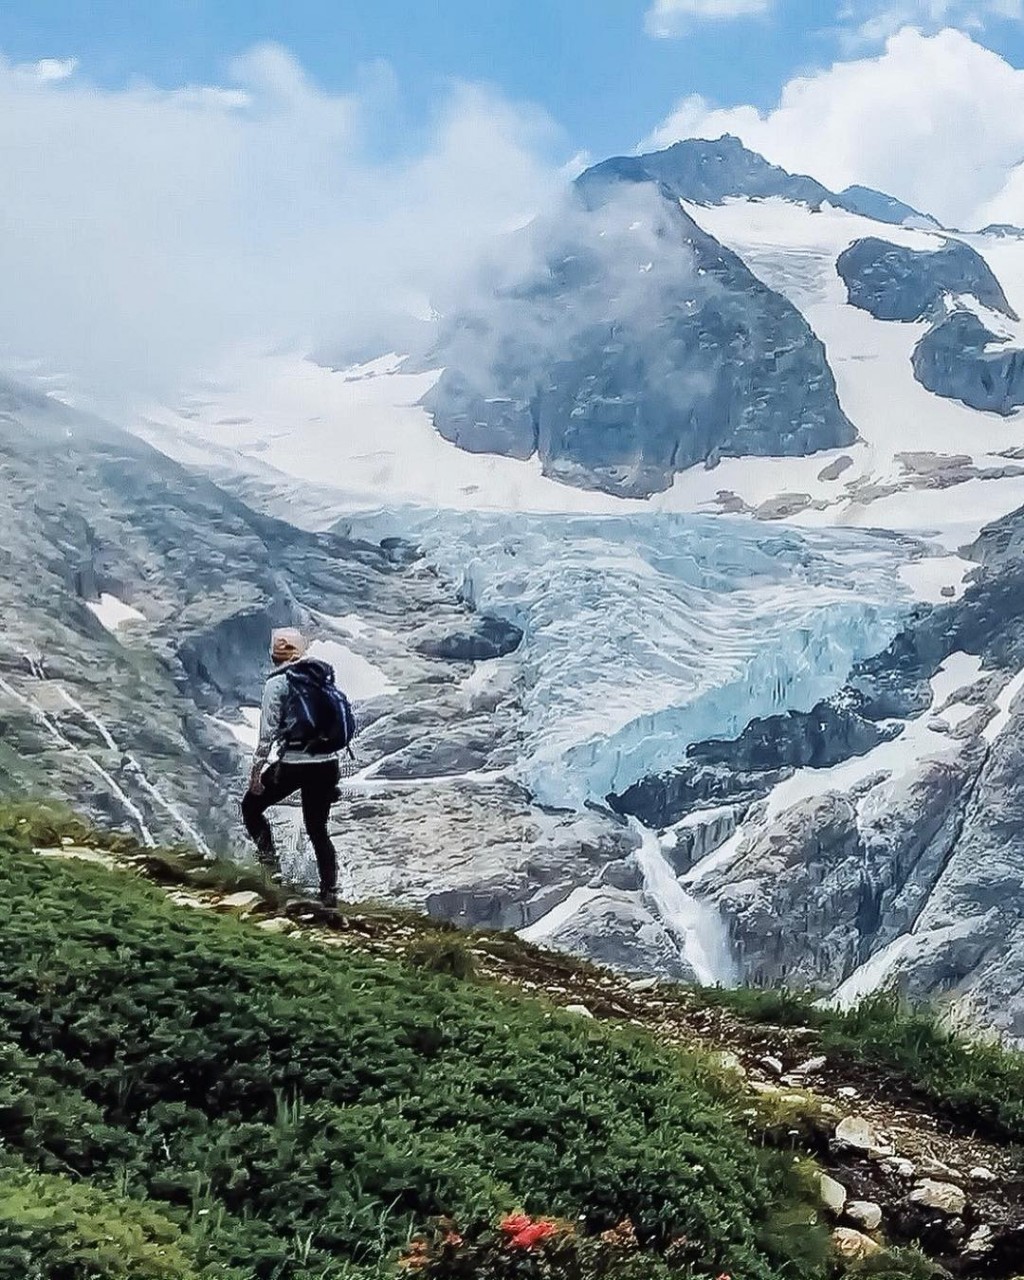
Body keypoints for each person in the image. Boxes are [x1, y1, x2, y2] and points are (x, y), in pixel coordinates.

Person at [242, 628, 342, 907]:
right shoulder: (321, 677)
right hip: (327, 765)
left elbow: (267, 735)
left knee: (251, 807)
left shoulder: (277, 684)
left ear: (277, 654)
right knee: (317, 829)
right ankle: (329, 892)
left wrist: (256, 774)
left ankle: (270, 870)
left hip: (294, 764)